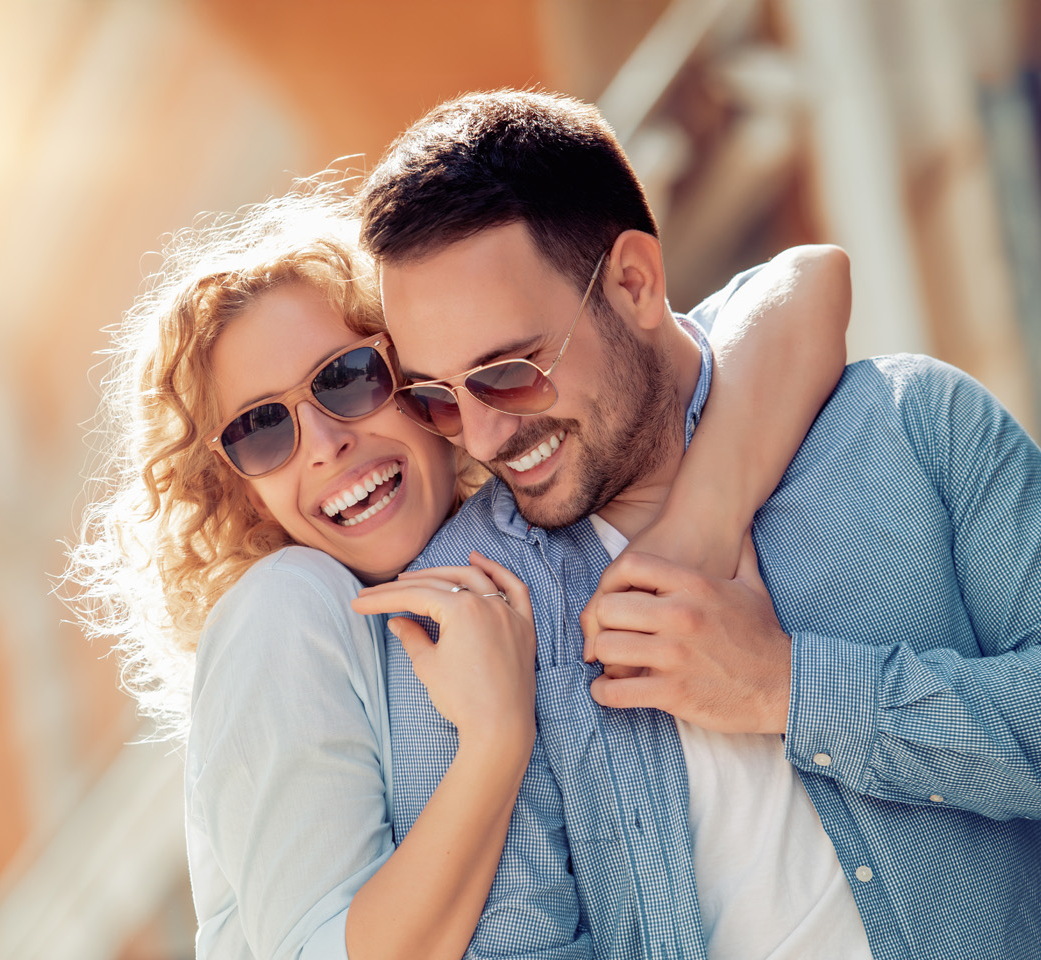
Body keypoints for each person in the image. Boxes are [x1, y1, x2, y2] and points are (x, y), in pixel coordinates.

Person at [66, 183, 852, 958]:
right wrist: (495, 739)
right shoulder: (289, 605)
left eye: (345, 379)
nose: (322, 443)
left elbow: (803, 284)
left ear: (416, 376)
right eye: (261, 429)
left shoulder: (515, 544)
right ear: (235, 485)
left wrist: (693, 534)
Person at [354, 89, 1041, 960]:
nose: (483, 437)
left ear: (635, 284)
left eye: (509, 372)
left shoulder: (912, 426)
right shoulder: (464, 611)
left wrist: (788, 689)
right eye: (436, 397)